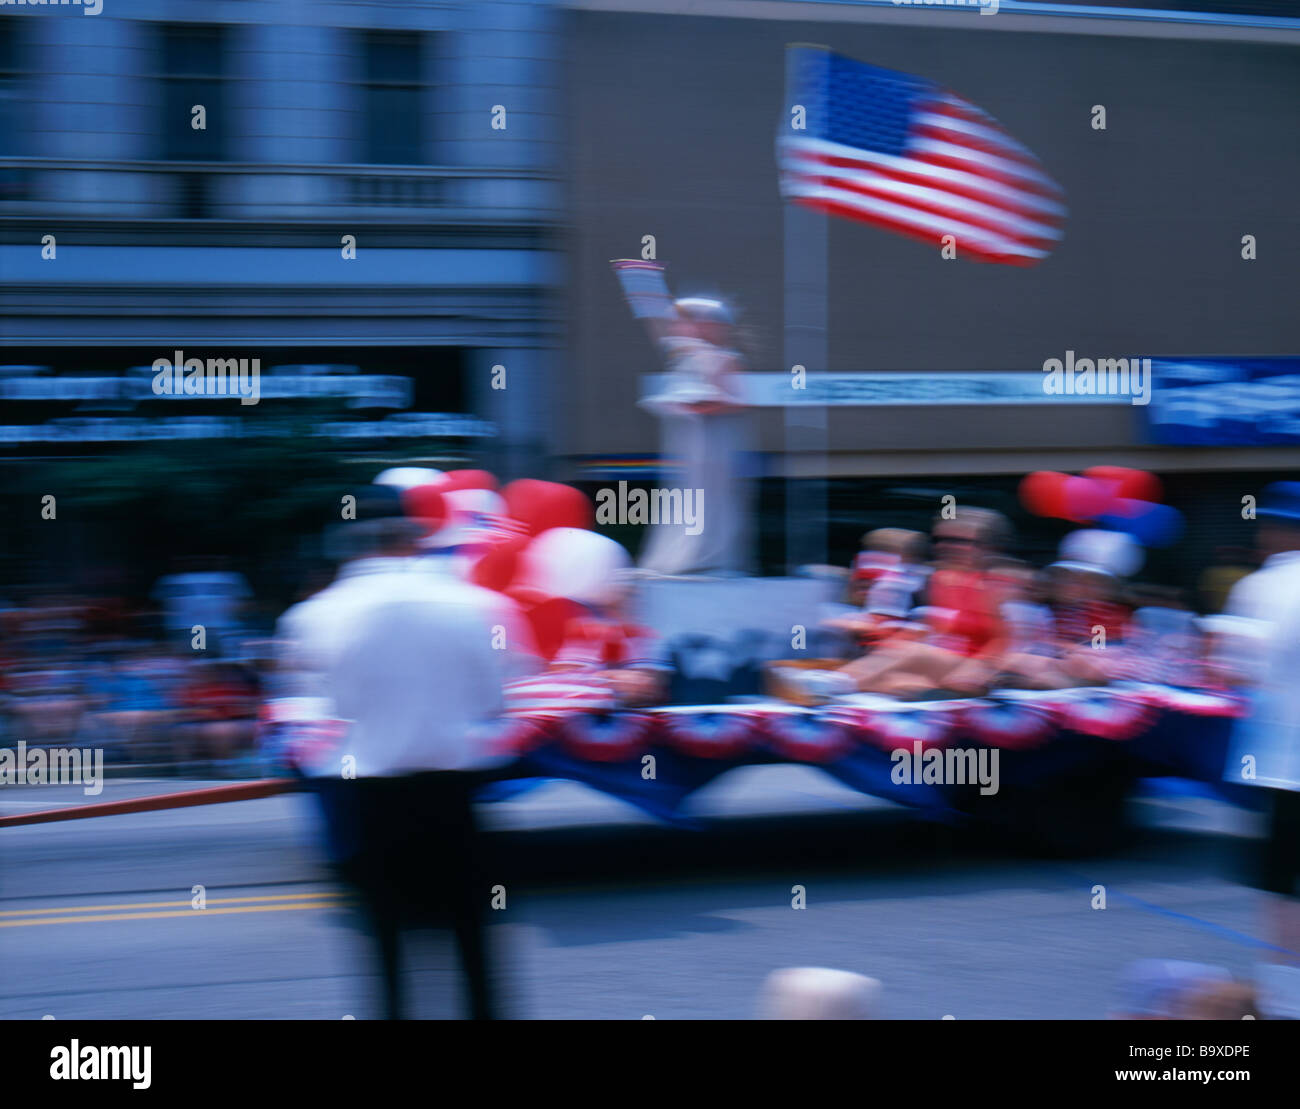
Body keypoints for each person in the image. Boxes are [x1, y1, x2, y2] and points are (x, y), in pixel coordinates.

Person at [276, 485, 529, 1019]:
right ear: (415, 537)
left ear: (345, 543)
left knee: (387, 965)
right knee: (475, 957)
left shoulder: (312, 617)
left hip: (368, 807)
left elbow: (304, 731)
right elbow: (497, 704)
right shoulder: (479, 606)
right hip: (455, 800)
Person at [1220, 481, 1300, 1019]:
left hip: (1284, 765)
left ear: (1273, 529)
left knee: (1283, 887)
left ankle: (1285, 1000)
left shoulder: (1260, 588)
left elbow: (1233, 670)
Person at [634, 294, 753, 575]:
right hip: (688, 443)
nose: (686, 329)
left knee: (709, 499)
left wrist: (703, 404)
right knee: (683, 497)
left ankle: (705, 558)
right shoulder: (686, 358)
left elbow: (737, 400)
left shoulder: (725, 359)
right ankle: (678, 557)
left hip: (714, 444)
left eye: (695, 322)